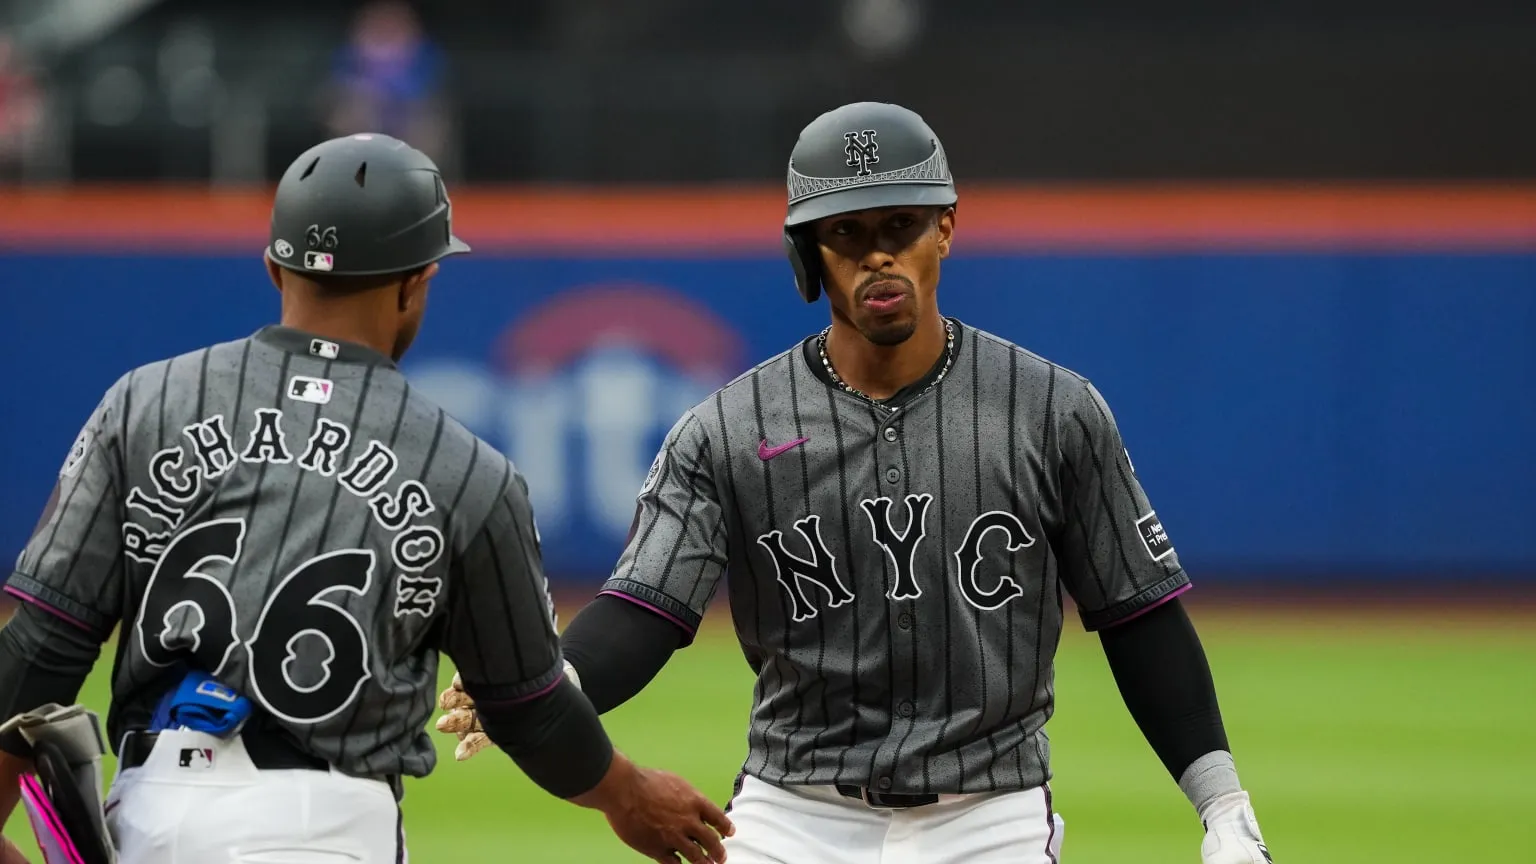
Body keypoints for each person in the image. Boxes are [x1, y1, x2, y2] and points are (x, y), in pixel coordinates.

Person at [438, 102, 1277, 863]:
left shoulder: (1052, 409)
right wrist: (556, 683)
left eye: (902, 224)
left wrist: (1223, 805)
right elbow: (646, 609)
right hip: (791, 815)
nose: (880, 252)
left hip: (991, 816)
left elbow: (1140, 616)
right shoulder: (728, 430)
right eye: (847, 233)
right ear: (808, 254)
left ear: (946, 228)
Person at [0, 133, 731, 864]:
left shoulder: (144, 404)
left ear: (274, 268)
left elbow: (44, 642)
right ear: (418, 281)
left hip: (150, 811)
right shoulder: (467, 469)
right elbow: (527, 711)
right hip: (325, 825)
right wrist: (629, 796)